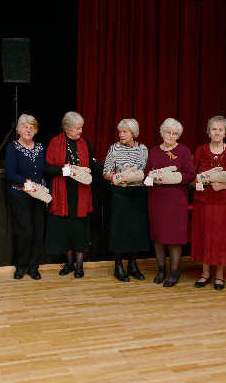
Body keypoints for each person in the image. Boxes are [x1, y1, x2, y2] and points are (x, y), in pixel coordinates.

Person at [191, 116, 226, 290]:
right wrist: (205, 181)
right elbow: (191, 180)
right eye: (214, 129)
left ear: (225, 132)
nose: (217, 132)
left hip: (224, 203)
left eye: (220, 129)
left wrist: (225, 185)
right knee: (204, 238)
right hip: (203, 202)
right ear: (208, 132)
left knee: (222, 239)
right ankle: (205, 274)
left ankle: (219, 275)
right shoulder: (200, 151)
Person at [44, 111, 102, 278]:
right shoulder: (55, 142)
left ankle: (79, 266)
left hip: (81, 194)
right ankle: (69, 263)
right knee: (66, 230)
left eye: (81, 128)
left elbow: (91, 164)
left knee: (79, 230)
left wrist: (107, 169)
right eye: (77, 128)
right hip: (63, 194)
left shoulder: (85, 143)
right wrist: (67, 170)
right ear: (67, 129)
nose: (80, 131)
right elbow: (48, 168)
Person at [144, 118, 196, 286]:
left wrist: (173, 178)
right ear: (162, 133)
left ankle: (174, 273)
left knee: (175, 238)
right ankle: (161, 270)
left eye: (175, 133)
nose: (171, 136)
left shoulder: (183, 150)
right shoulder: (154, 151)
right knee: (158, 237)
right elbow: (146, 173)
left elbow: (191, 175)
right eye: (168, 132)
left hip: (176, 200)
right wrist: (152, 177)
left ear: (178, 135)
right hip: (157, 200)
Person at [103, 119, 150, 282]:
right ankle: (118, 267)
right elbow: (106, 172)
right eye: (120, 132)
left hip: (138, 194)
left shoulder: (143, 149)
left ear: (133, 133)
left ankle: (133, 265)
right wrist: (120, 178)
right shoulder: (114, 148)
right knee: (119, 230)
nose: (121, 135)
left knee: (136, 230)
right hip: (120, 194)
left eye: (125, 132)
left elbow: (146, 171)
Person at [5, 114, 47, 280]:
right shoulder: (12, 148)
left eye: (31, 128)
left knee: (38, 232)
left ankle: (34, 267)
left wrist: (45, 194)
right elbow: (11, 173)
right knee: (25, 231)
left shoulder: (41, 148)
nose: (28, 130)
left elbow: (45, 171)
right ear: (19, 130)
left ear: (35, 131)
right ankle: (21, 266)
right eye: (25, 127)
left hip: (39, 197)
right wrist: (30, 186)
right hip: (19, 195)